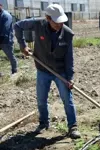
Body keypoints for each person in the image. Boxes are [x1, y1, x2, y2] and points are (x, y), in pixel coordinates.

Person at [14, 4, 81, 139]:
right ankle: (44, 123)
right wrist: (23, 45)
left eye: (62, 21)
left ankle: (73, 126)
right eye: (57, 22)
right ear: (48, 18)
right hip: (42, 69)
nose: (60, 24)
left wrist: (70, 77)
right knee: (41, 99)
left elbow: (69, 58)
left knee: (67, 99)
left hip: (60, 71)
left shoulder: (67, 34)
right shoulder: (38, 24)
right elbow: (17, 26)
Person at [0, 3, 18, 76]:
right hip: (1, 39)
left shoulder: (6, 15)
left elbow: (5, 29)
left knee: (10, 55)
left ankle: (14, 70)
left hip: (6, 40)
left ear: (1, 6)